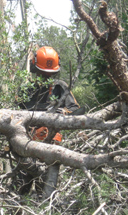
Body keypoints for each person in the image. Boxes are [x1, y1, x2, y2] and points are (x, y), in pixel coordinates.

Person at [16, 46, 83, 196]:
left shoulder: (60, 88)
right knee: (19, 190)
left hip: (50, 146)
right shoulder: (26, 90)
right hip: (26, 145)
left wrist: (63, 112)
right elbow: (16, 115)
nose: (45, 77)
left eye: (47, 74)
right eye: (42, 74)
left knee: (45, 192)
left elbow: (74, 109)